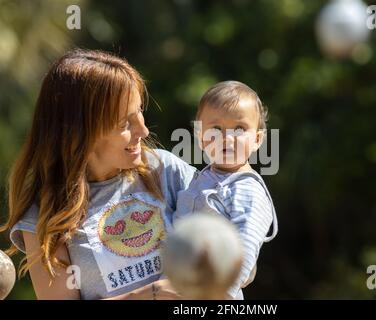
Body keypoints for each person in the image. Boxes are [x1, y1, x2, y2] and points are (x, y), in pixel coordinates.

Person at [0, 49, 197, 300]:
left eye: (140, 112)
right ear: (80, 132)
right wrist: (151, 294)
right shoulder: (45, 212)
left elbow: (230, 246)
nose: (144, 130)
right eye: (124, 123)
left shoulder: (166, 170)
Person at [174, 80, 279, 299]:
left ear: (258, 139)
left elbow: (245, 250)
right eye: (216, 129)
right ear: (200, 137)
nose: (227, 138)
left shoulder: (247, 189)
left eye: (239, 129)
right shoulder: (202, 178)